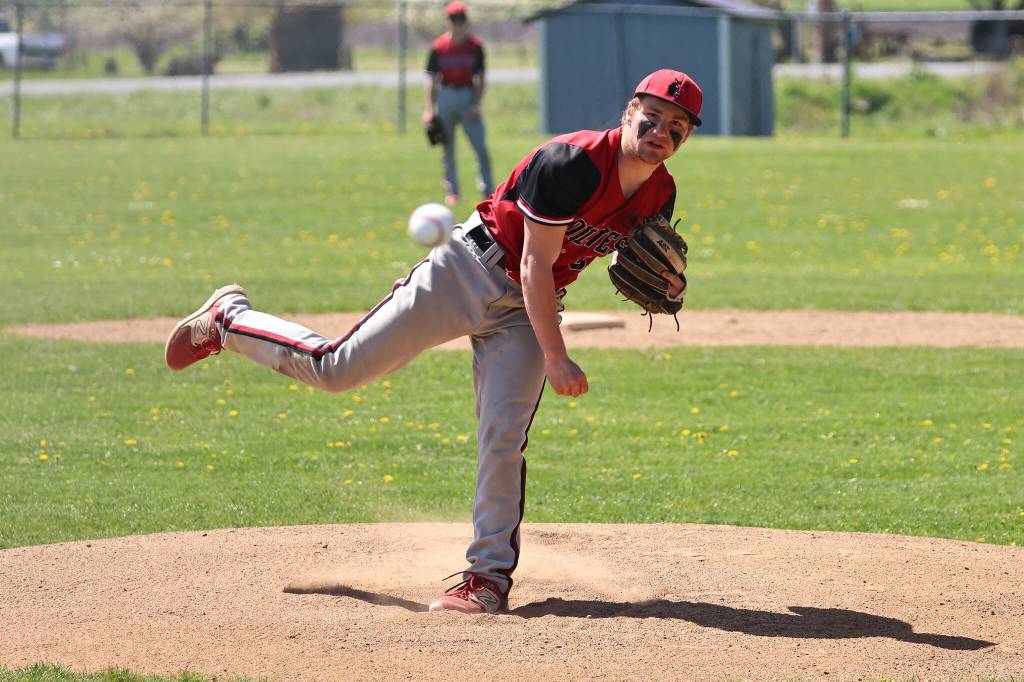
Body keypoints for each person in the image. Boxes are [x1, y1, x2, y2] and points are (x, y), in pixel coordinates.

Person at [165, 68, 702, 614]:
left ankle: (486, 579)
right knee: (337, 369)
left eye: (676, 125)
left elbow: (620, 251)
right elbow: (535, 263)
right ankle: (230, 320)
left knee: (504, 437)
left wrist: (659, 280)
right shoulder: (572, 162)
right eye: (652, 115)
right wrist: (557, 357)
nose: (661, 129)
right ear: (629, 112)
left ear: (686, 138)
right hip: (469, 269)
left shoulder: (661, 192)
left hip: (524, 312)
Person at [422, 1, 493, 207]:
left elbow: (480, 79)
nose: (457, 24)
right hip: (446, 95)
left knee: (480, 147)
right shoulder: (439, 47)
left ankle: (487, 190)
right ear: (447, 21)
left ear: (466, 21)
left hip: (467, 95)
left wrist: (475, 104)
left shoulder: (475, 47)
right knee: (448, 148)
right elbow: (432, 80)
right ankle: (452, 191)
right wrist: (430, 110)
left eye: (460, 19)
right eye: (453, 19)